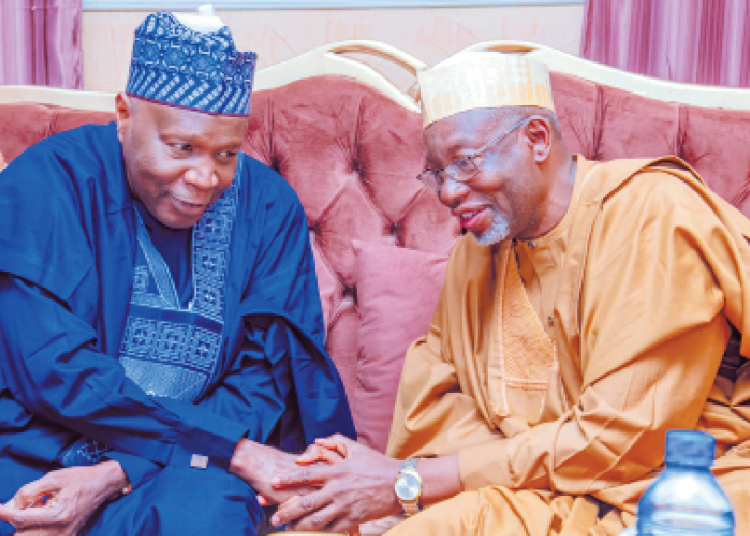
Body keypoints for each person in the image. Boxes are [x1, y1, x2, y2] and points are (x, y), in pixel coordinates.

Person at [263, 50, 750, 535]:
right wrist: (381, 474)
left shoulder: (650, 216)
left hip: (672, 495)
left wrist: (405, 482)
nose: (448, 191)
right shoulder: (475, 253)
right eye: (436, 171)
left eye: (465, 162)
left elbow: (620, 438)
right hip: (539, 495)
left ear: (536, 138)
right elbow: (428, 411)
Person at [0, 11, 354, 536]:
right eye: (181, 148)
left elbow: (263, 380)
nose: (205, 178)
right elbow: (55, 372)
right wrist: (225, 448)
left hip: (190, 471)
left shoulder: (267, 205)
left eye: (227, 153)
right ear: (124, 114)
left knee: (209, 511)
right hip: (40, 455)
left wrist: (119, 472)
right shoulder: (50, 181)